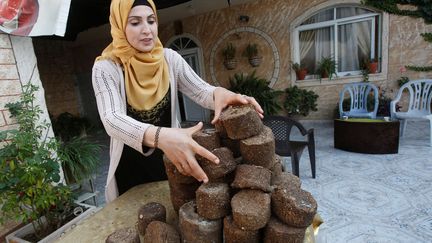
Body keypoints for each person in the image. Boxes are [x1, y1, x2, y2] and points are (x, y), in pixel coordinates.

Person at [92, 0, 263, 203]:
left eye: (151, 20)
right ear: (120, 26)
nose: (147, 30)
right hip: (130, 169)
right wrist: (160, 137)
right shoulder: (106, 68)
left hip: (174, 158)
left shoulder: (168, 59)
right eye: (135, 23)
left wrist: (219, 93)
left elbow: (200, 90)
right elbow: (112, 119)